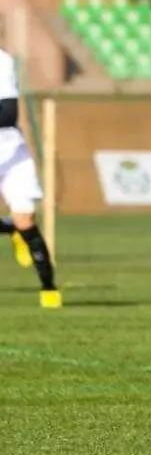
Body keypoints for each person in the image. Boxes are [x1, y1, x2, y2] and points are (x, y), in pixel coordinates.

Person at [0, 49, 58, 308]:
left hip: (11, 153)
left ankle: (49, 289)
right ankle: (11, 228)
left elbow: (8, 113)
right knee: (18, 224)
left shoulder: (2, 62)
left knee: (26, 219)